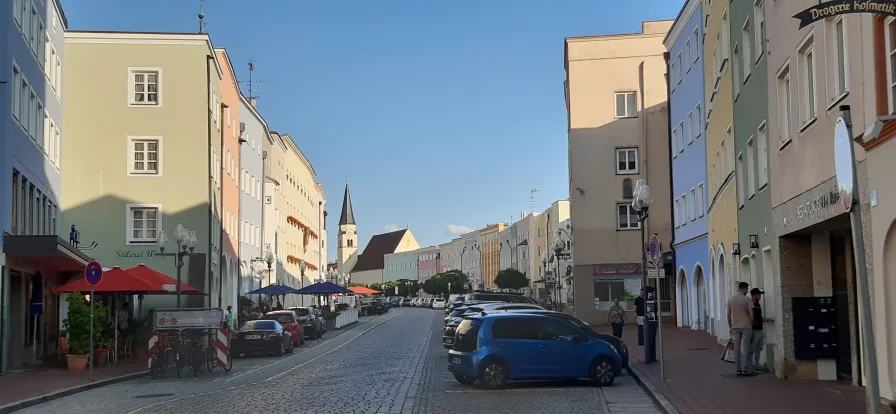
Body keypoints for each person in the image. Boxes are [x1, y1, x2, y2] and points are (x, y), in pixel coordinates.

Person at [727, 282, 755, 376]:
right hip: (746, 326)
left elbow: (728, 314)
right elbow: (751, 313)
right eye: (747, 289)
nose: (747, 291)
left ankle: (737, 369)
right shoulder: (747, 299)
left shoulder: (731, 299)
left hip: (735, 326)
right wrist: (750, 324)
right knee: (745, 348)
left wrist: (730, 326)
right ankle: (744, 369)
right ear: (745, 289)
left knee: (737, 348)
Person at [748, 288, 770, 373]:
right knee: (752, 347)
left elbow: (759, 317)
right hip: (754, 329)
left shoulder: (758, 304)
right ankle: (750, 365)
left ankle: (756, 364)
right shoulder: (750, 305)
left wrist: (769, 320)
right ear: (754, 295)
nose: (760, 297)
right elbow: (751, 318)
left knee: (759, 347)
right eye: (759, 295)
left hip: (760, 329)